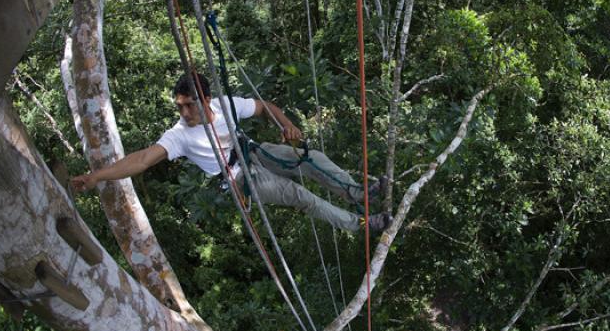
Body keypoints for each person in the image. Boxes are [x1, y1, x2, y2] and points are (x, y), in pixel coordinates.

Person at [71, 73, 390, 232]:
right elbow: (141, 160)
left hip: (255, 152)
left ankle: (358, 192)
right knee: (300, 195)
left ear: (206, 99)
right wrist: (97, 176)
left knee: (311, 159)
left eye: (190, 104)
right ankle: (361, 224)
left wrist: (287, 125)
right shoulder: (179, 136)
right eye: (179, 106)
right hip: (241, 177)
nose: (184, 112)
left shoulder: (224, 105)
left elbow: (265, 107)